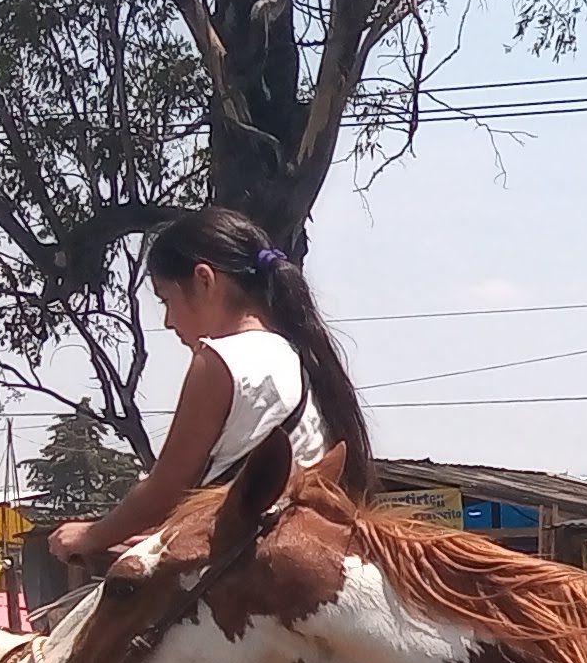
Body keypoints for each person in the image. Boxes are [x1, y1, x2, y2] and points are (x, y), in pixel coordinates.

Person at [50, 208, 376, 566]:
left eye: (167, 300)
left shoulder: (219, 360)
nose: (168, 320)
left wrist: (89, 535)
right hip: (301, 555)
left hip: (244, 574)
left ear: (204, 280)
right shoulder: (297, 356)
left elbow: (164, 490)